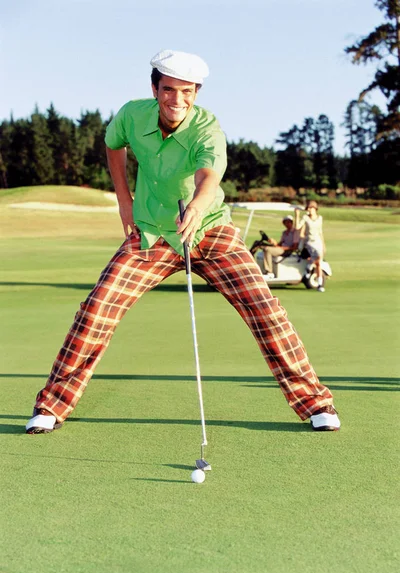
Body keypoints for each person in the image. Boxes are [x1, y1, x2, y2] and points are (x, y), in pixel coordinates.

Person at [25, 49, 340, 435]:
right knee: (96, 309)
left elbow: (210, 175)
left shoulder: (208, 128)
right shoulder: (131, 114)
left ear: (197, 92)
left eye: (187, 91)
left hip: (208, 229)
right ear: (154, 88)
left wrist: (195, 207)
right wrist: (124, 199)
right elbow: (113, 144)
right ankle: (52, 406)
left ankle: (316, 404)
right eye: (169, 90)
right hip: (151, 234)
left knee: (266, 310)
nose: (178, 100)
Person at [299, 200, 326, 292]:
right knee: (318, 257)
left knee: (319, 263)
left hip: (318, 241)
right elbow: (298, 227)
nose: (309, 210)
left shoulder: (320, 218)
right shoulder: (305, 218)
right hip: (309, 242)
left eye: (311, 208)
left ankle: (319, 284)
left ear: (315, 209)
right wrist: (297, 215)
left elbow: (320, 232)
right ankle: (309, 268)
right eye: (308, 208)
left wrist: (323, 244)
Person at [261, 215, 299, 279]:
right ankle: (264, 270)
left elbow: (294, 247)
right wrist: (274, 243)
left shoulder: (295, 232)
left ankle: (270, 272)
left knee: (268, 249)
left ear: (291, 222)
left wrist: (281, 248)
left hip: (287, 250)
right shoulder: (284, 233)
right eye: (286, 222)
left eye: (289, 222)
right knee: (264, 248)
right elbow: (280, 243)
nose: (287, 224)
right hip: (281, 249)